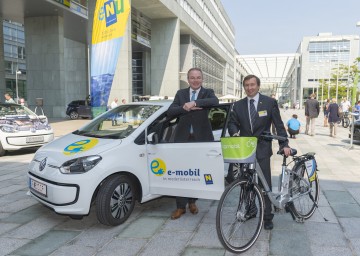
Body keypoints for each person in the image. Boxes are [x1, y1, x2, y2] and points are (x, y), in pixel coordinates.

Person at [228, 74, 291, 230]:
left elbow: (278, 125)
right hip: (245, 150)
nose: (249, 88)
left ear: (258, 86)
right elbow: (232, 123)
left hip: (262, 148)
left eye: (252, 85)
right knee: (246, 183)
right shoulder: (238, 105)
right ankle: (250, 209)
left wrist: (284, 144)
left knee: (265, 184)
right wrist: (234, 132)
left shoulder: (269, 103)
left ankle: (267, 216)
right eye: (247, 85)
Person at [167, 67, 219, 220]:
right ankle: (180, 207)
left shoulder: (207, 92)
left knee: (197, 172)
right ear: (188, 79)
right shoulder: (180, 93)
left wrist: (194, 102)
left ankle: (192, 202)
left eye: (198, 77)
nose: (195, 80)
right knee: (181, 173)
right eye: (192, 77)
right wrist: (185, 108)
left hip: (201, 140)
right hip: (183, 139)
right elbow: (170, 112)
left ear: (202, 79)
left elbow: (214, 101)